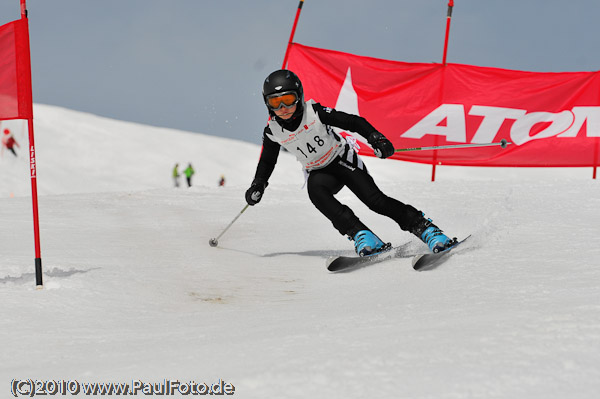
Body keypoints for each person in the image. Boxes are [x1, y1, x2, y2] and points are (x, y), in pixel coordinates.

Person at [245, 69, 456, 257]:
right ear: (267, 104)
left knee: (375, 201)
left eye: (288, 99)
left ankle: (426, 229)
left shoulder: (314, 113)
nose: (283, 107)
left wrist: (376, 138)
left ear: (299, 97)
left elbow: (353, 122)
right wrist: (258, 184)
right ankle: (362, 235)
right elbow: (267, 161)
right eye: (275, 102)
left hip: (342, 161)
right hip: (320, 172)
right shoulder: (273, 131)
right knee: (315, 192)